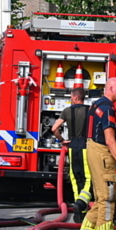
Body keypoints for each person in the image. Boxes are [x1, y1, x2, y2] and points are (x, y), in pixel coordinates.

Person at [78, 77, 116, 230]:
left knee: (101, 196)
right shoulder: (108, 109)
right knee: (108, 199)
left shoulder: (96, 104)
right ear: (110, 88)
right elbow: (110, 140)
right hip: (102, 153)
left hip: (92, 150)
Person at [51, 88, 92, 219]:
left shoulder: (67, 111)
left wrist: (62, 140)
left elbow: (54, 128)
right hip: (87, 146)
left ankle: (77, 207)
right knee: (88, 177)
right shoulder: (90, 110)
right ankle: (82, 205)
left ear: (75, 98)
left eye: (71, 97)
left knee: (75, 178)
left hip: (72, 146)